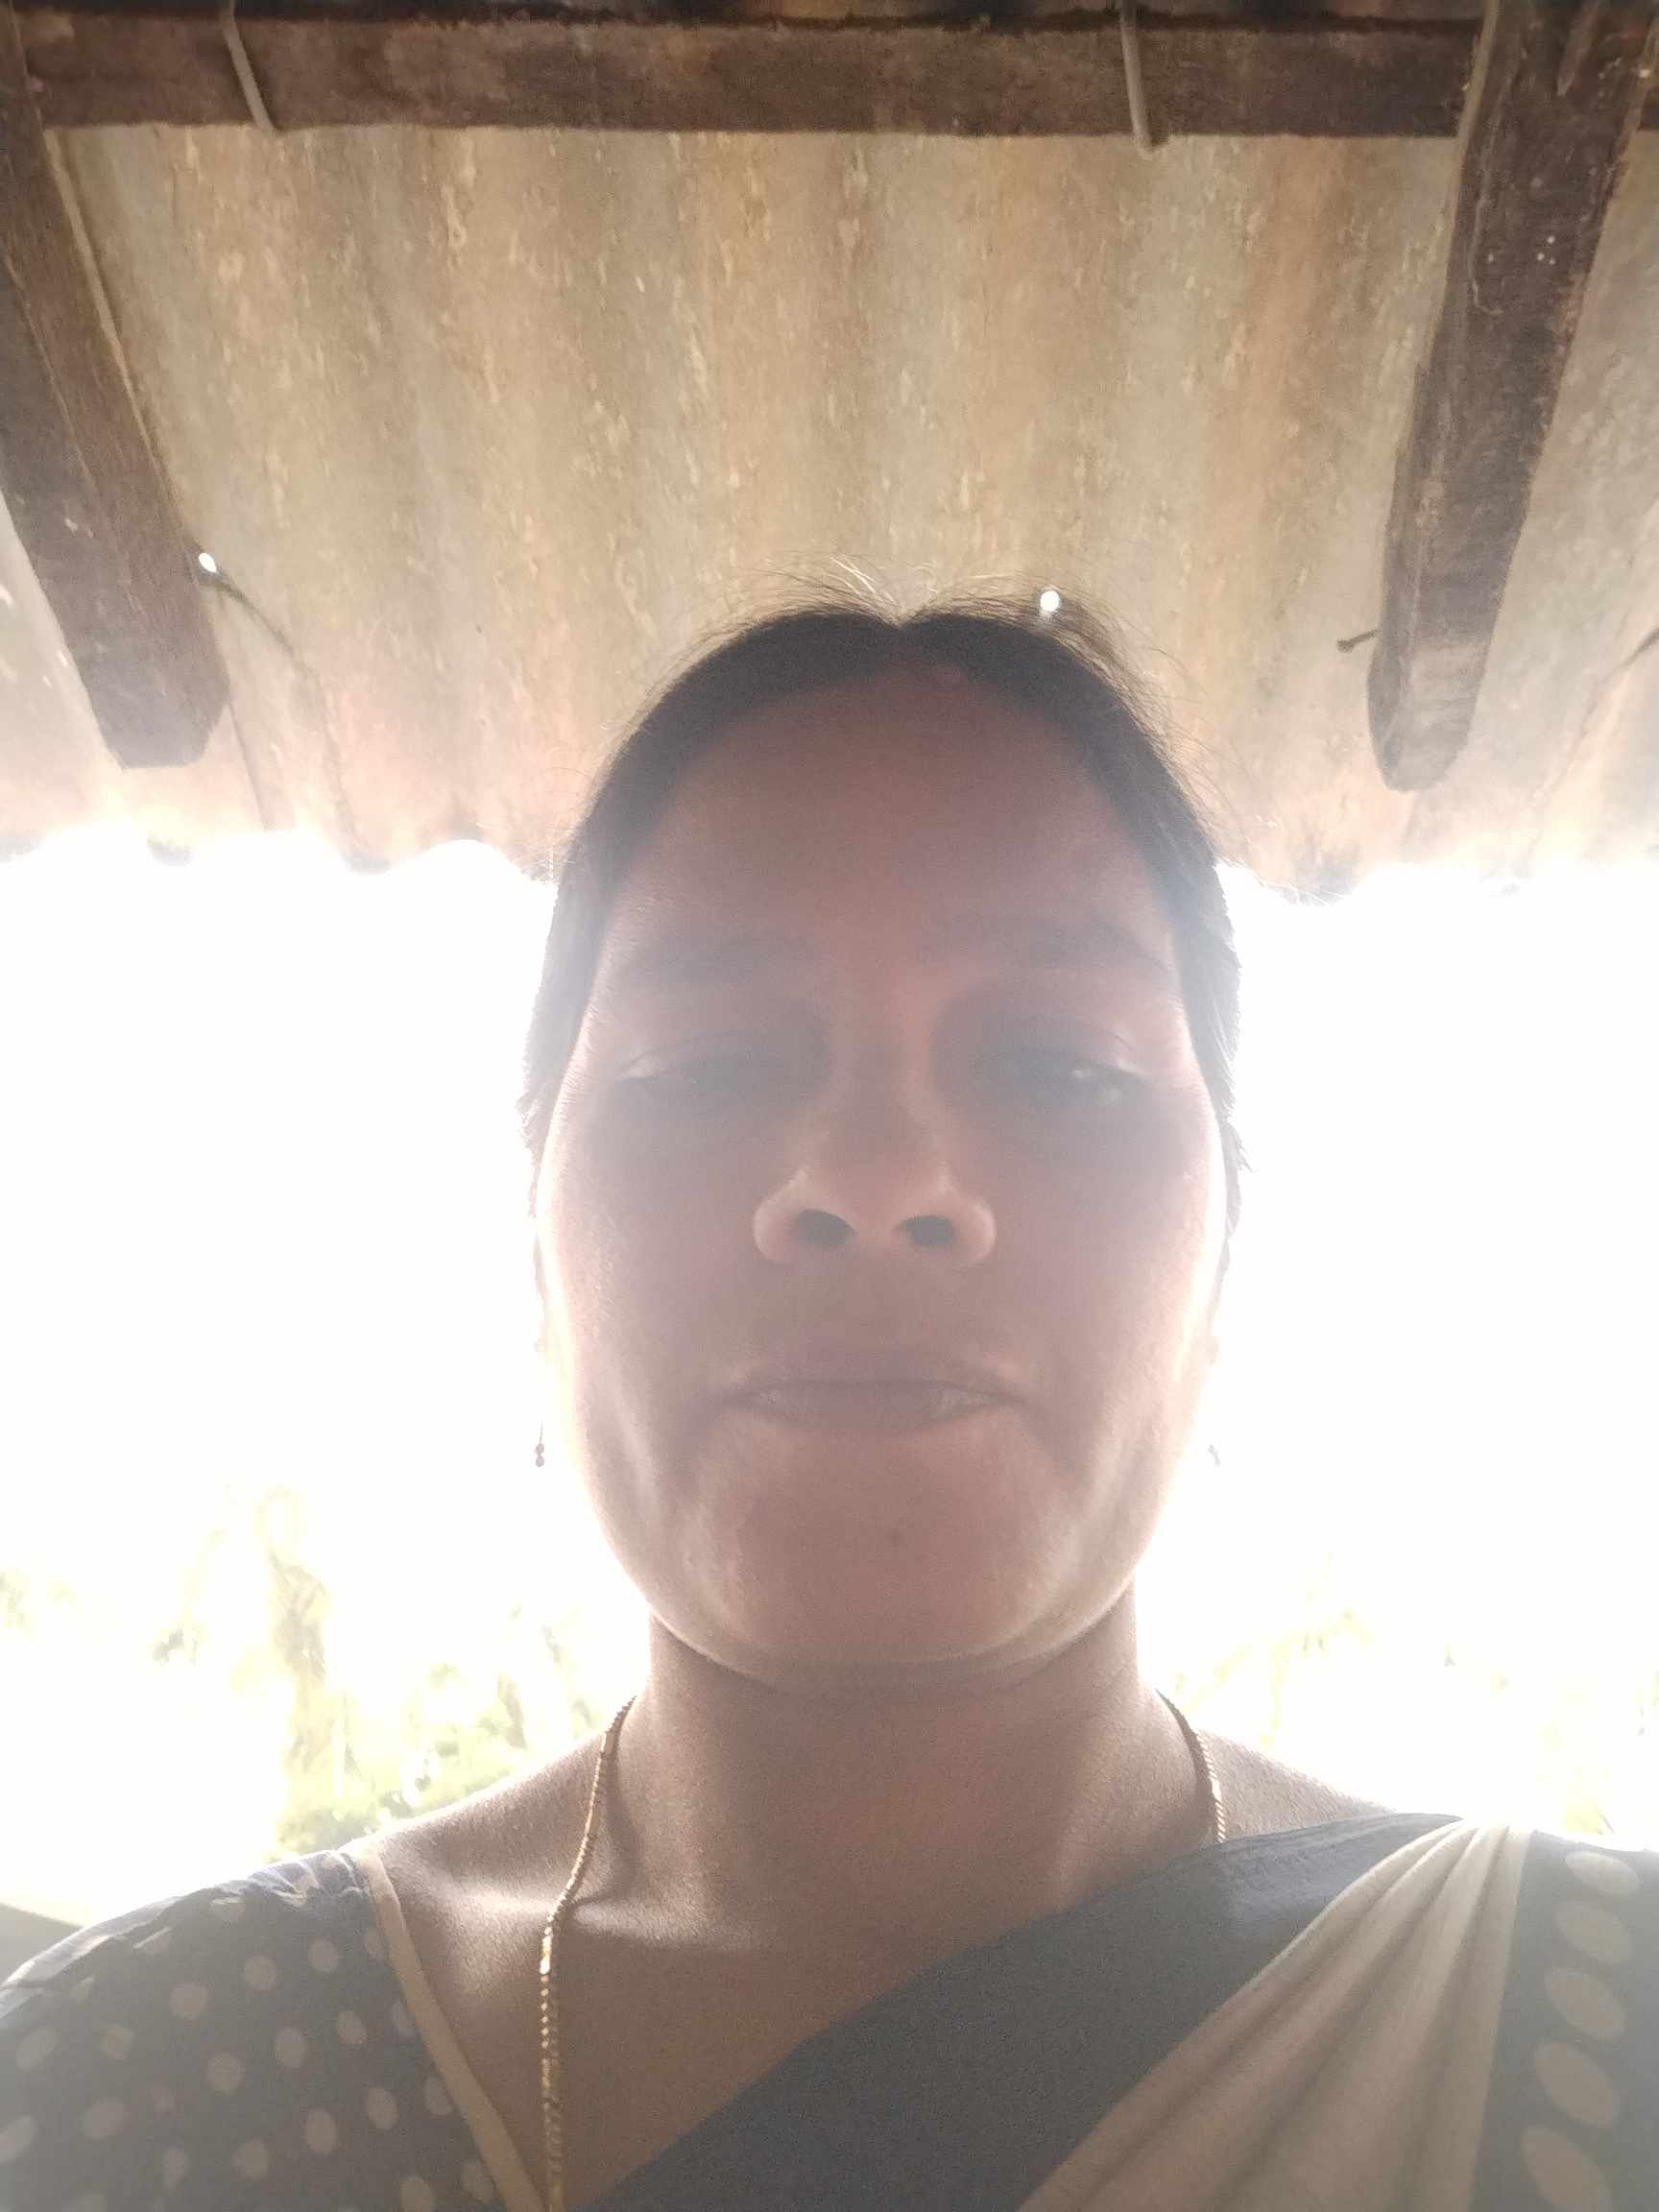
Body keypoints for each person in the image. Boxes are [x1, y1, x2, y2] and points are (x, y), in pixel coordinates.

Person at [2, 595, 1652, 2212]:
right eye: (703, 1068)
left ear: (1223, 1271)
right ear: (537, 1261)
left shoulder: (1596, 2019)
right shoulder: (127, 2089)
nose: (875, 1178)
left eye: (1062, 1066)